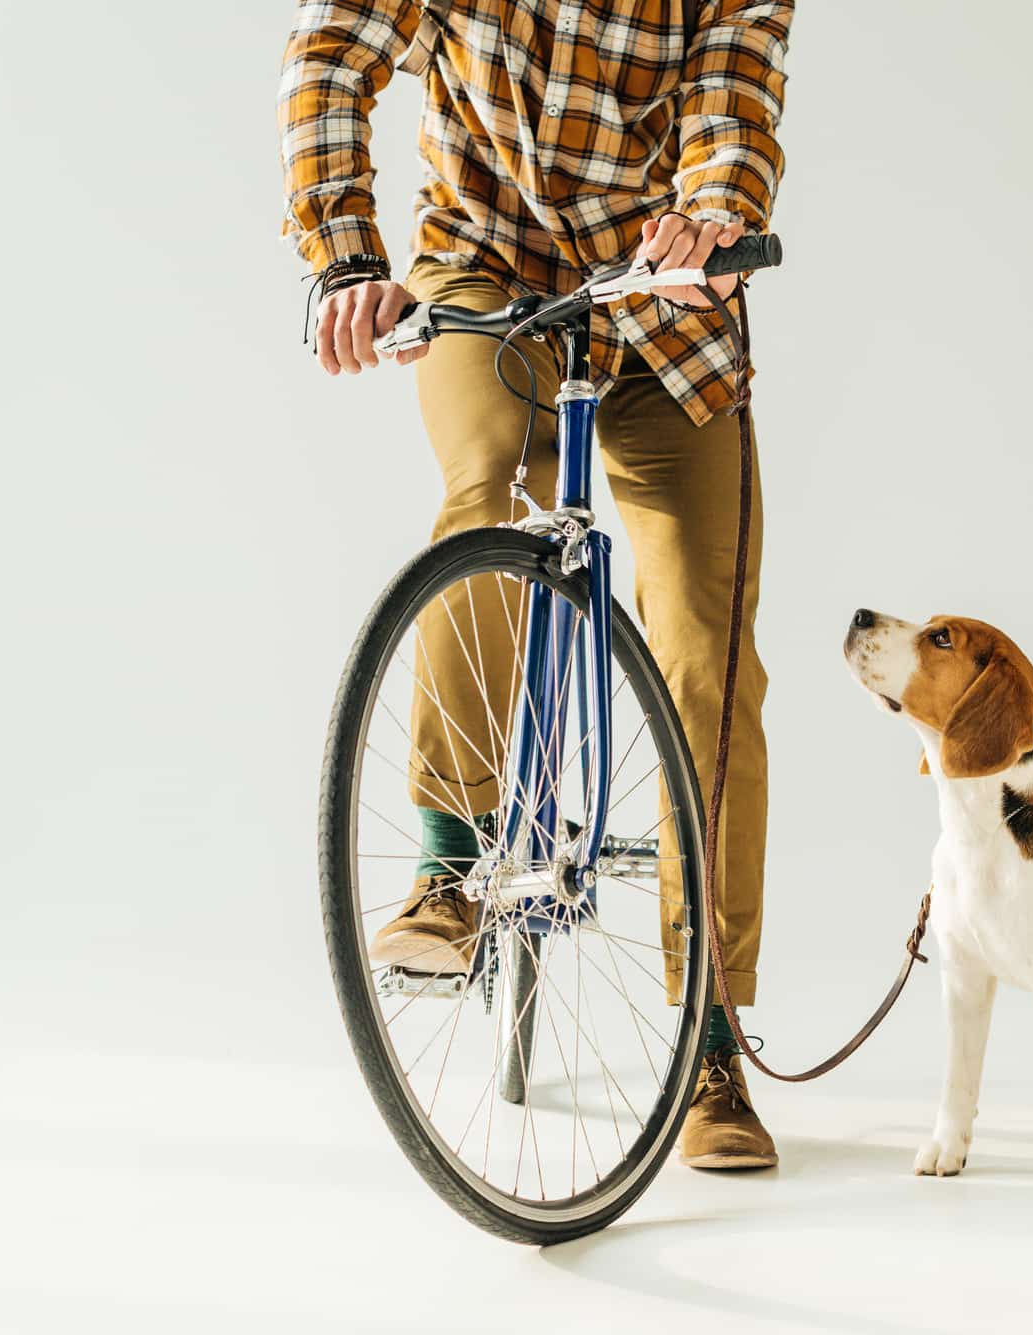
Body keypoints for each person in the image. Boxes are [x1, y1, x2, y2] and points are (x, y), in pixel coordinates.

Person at [278, 0, 791, 1170]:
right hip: (484, 265)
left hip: (669, 298)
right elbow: (331, 53)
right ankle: (451, 864)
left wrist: (713, 216)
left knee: (703, 642)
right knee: (492, 495)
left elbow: (733, 93)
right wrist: (347, 255)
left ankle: (708, 1032)